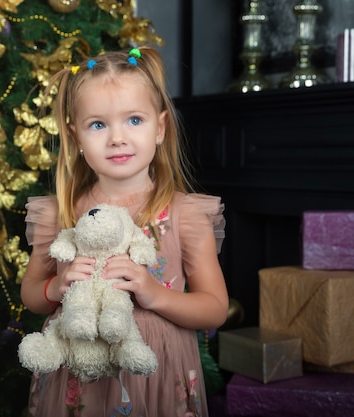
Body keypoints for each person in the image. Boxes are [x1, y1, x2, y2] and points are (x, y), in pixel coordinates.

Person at [20, 46, 228, 417]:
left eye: (134, 120)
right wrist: (56, 287)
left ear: (160, 127)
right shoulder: (61, 213)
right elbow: (32, 296)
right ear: (76, 137)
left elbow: (214, 308)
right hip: (77, 380)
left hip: (158, 375)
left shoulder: (185, 214)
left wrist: (153, 294)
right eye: (98, 125)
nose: (117, 137)